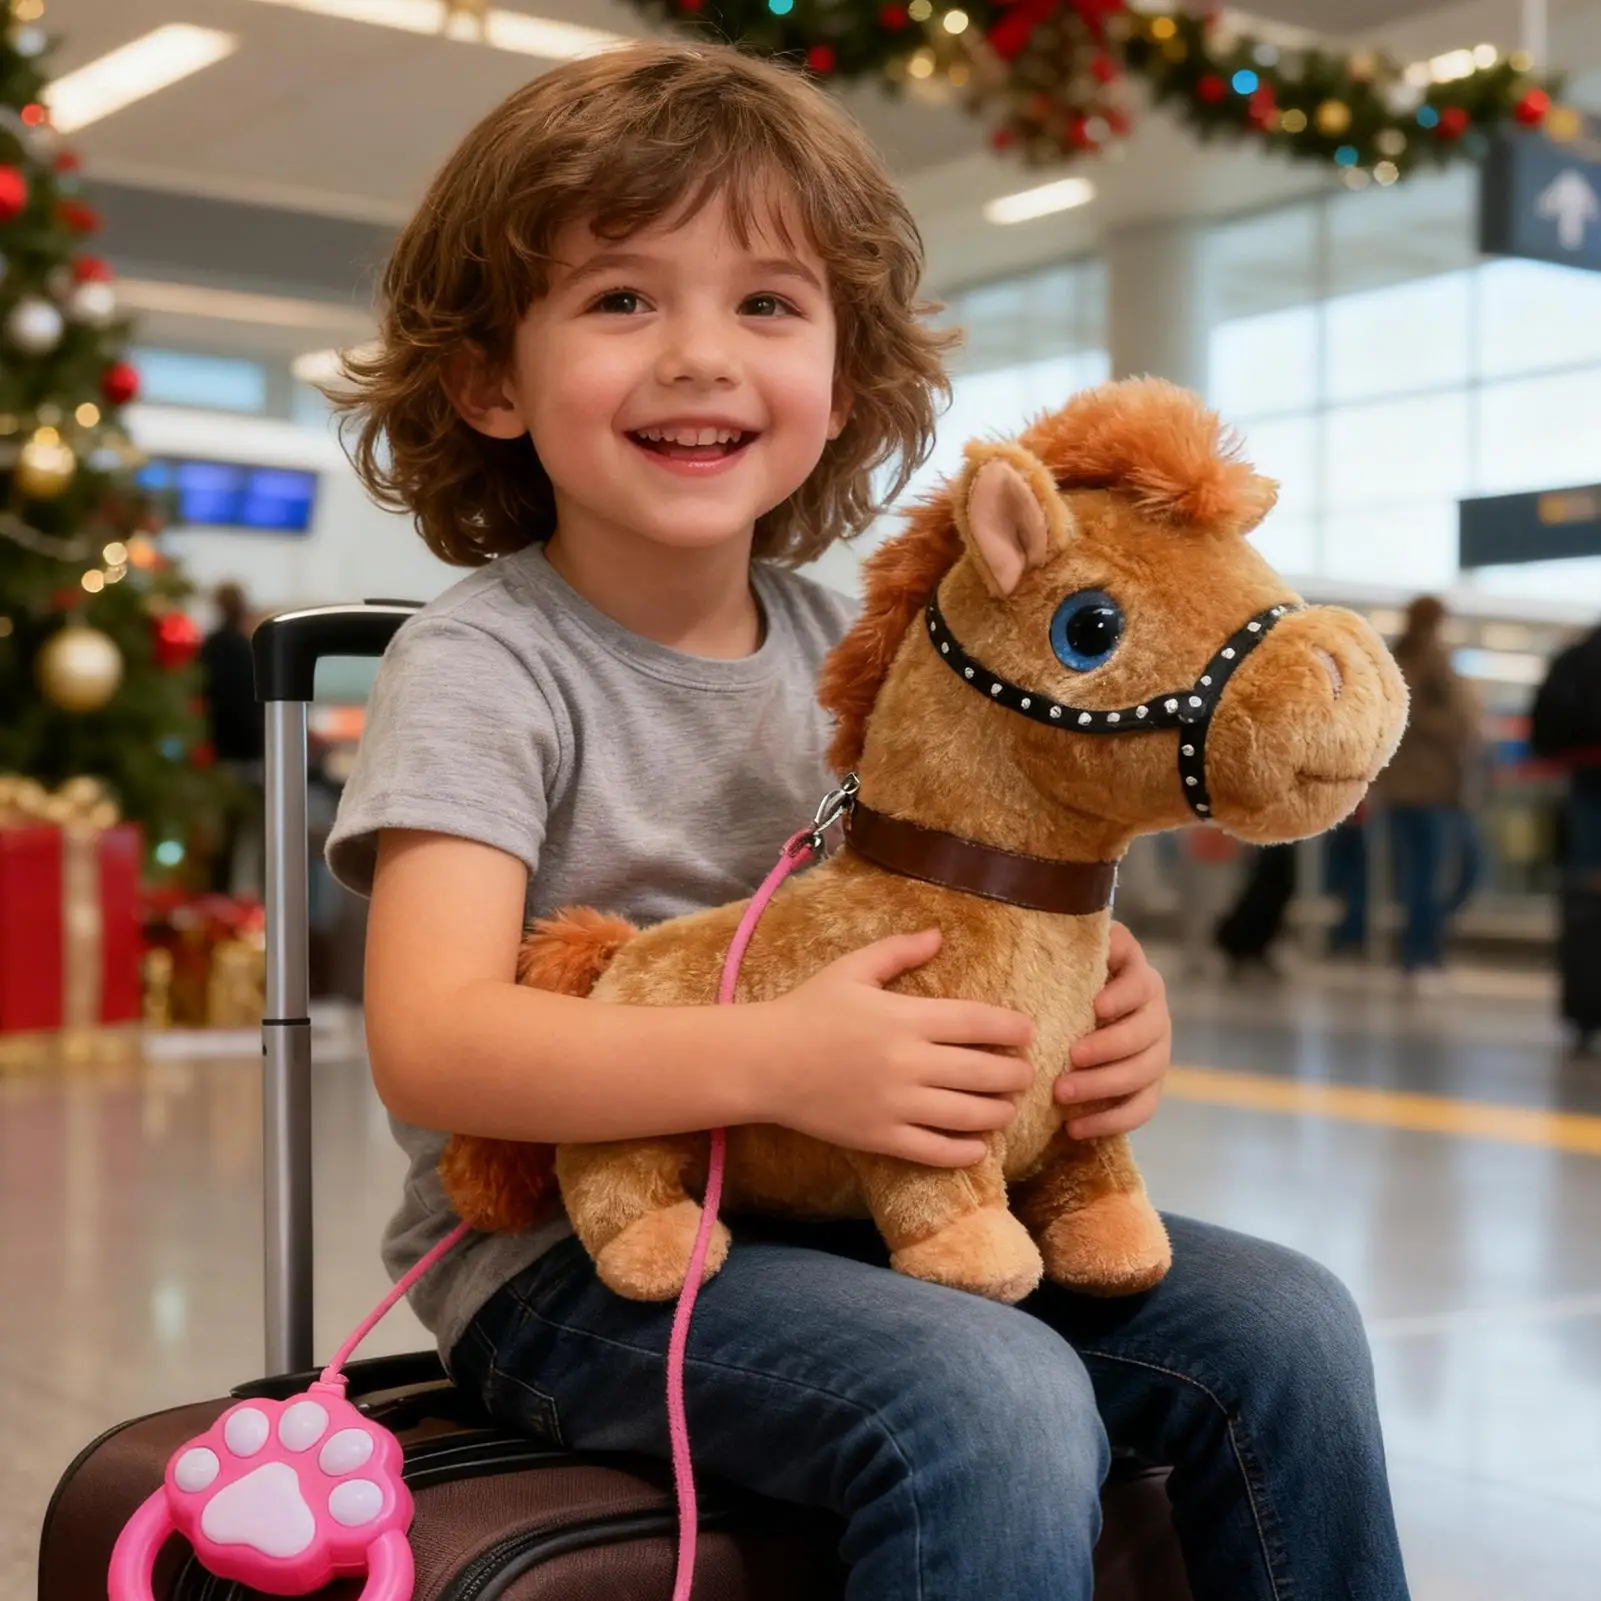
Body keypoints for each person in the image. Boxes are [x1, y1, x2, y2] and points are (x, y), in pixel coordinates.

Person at [324, 41, 1409, 1601]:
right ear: (492, 376)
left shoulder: (870, 638)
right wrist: (782, 1061)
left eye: (766, 303)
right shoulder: (488, 662)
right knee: (988, 1392)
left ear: (842, 378)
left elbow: (1004, 888)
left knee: (1286, 1326)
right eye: (621, 297)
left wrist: (1109, 1019)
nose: (701, 354)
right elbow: (434, 1045)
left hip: (864, 1208)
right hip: (578, 1255)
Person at [1376, 597, 1482, 993]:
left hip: (1434, 787)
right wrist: (1461, 721)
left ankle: (1424, 950)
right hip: (1422, 787)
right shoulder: (1417, 661)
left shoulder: (1422, 657)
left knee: (1445, 872)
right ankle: (1420, 956)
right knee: (1430, 875)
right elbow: (1438, 717)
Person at [198, 580, 265, 893]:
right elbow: (254, 710)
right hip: (248, 761)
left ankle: (218, 898)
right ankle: (244, 903)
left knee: (218, 845)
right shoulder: (246, 650)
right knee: (247, 841)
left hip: (215, 760)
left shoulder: (207, 647)